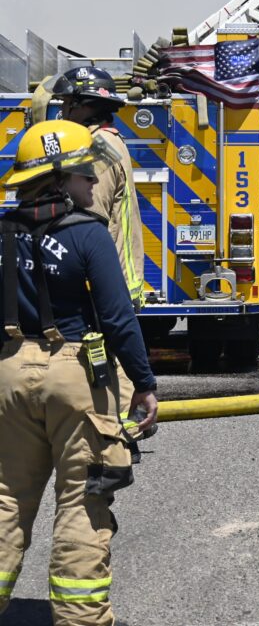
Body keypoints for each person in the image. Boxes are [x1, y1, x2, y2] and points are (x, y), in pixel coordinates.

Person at [0, 119, 158, 626]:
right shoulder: (88, 233)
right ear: (58, 179)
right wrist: (144, 385)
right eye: (85, 172)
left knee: (5, 500)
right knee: (82, 502)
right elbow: (117, 318)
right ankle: (80, 618)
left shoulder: (2, 232)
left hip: (7, 371)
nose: (94, 181)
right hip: (75, 376)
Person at [50, 65, 145, 309]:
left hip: (104, 285)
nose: (62, 110)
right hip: (109, 282)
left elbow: (88, 221)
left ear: (84, 105)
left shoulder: (98, 146)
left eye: (66, 102)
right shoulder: (106, 140)